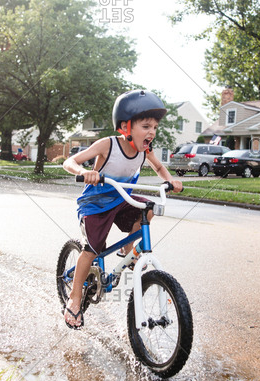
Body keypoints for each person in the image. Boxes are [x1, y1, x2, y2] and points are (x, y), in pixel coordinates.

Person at [62, 89, 183, 329]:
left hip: (120, 199)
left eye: (155, 128)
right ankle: (74, 300)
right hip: (96, 205)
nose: (152, 132)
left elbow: (159, 168)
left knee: (147, 208)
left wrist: (170, 180)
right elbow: (69, 162)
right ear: (126, 127)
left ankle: (128, 249)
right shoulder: (107, 145)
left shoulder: (144, 151)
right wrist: (84, 172)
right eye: (146, 126)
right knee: (93, 249)